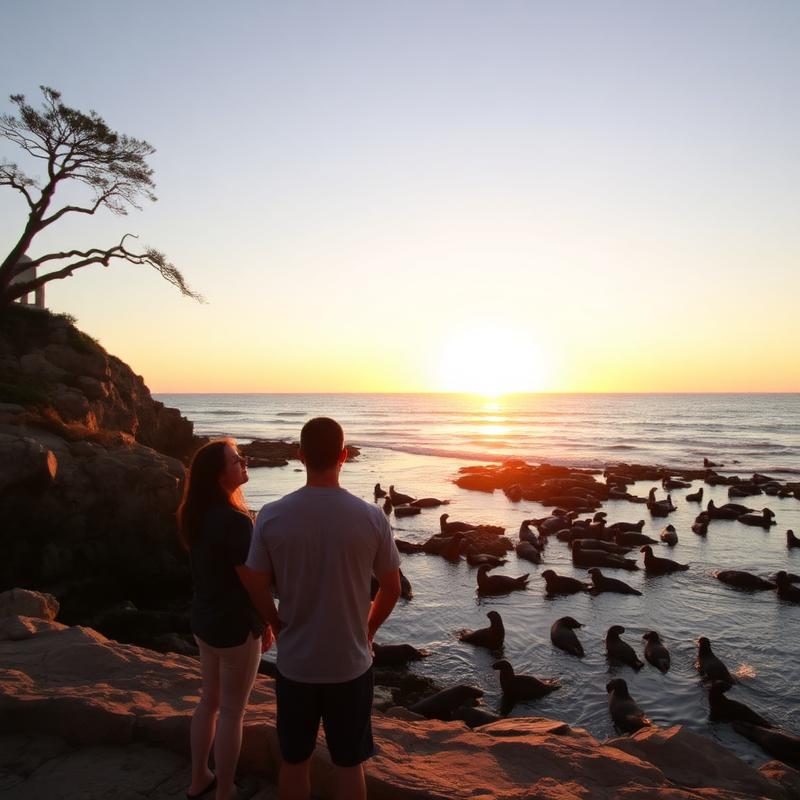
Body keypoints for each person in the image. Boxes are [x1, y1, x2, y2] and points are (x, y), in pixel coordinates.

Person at [241, 417, 401, 800]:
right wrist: (369, 630)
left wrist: (276, 624)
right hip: (351, 664)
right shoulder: (372, 516)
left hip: (297, 665)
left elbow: (255, 584)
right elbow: (392, 589)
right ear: (343, 456)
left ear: (300, 456)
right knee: (349, 763)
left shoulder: (272, 515)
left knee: (294, 761)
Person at [177, 438, 270, 800]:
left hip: (204, 621)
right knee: (232, 712)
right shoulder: (236, 521)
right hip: (234, 628)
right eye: (235, 460)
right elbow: (252, 584)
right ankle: (225, 791)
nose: (243, 462)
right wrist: (270, 621)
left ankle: (199, 777)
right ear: (219, 476)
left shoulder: (194, 513)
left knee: (208, 702)